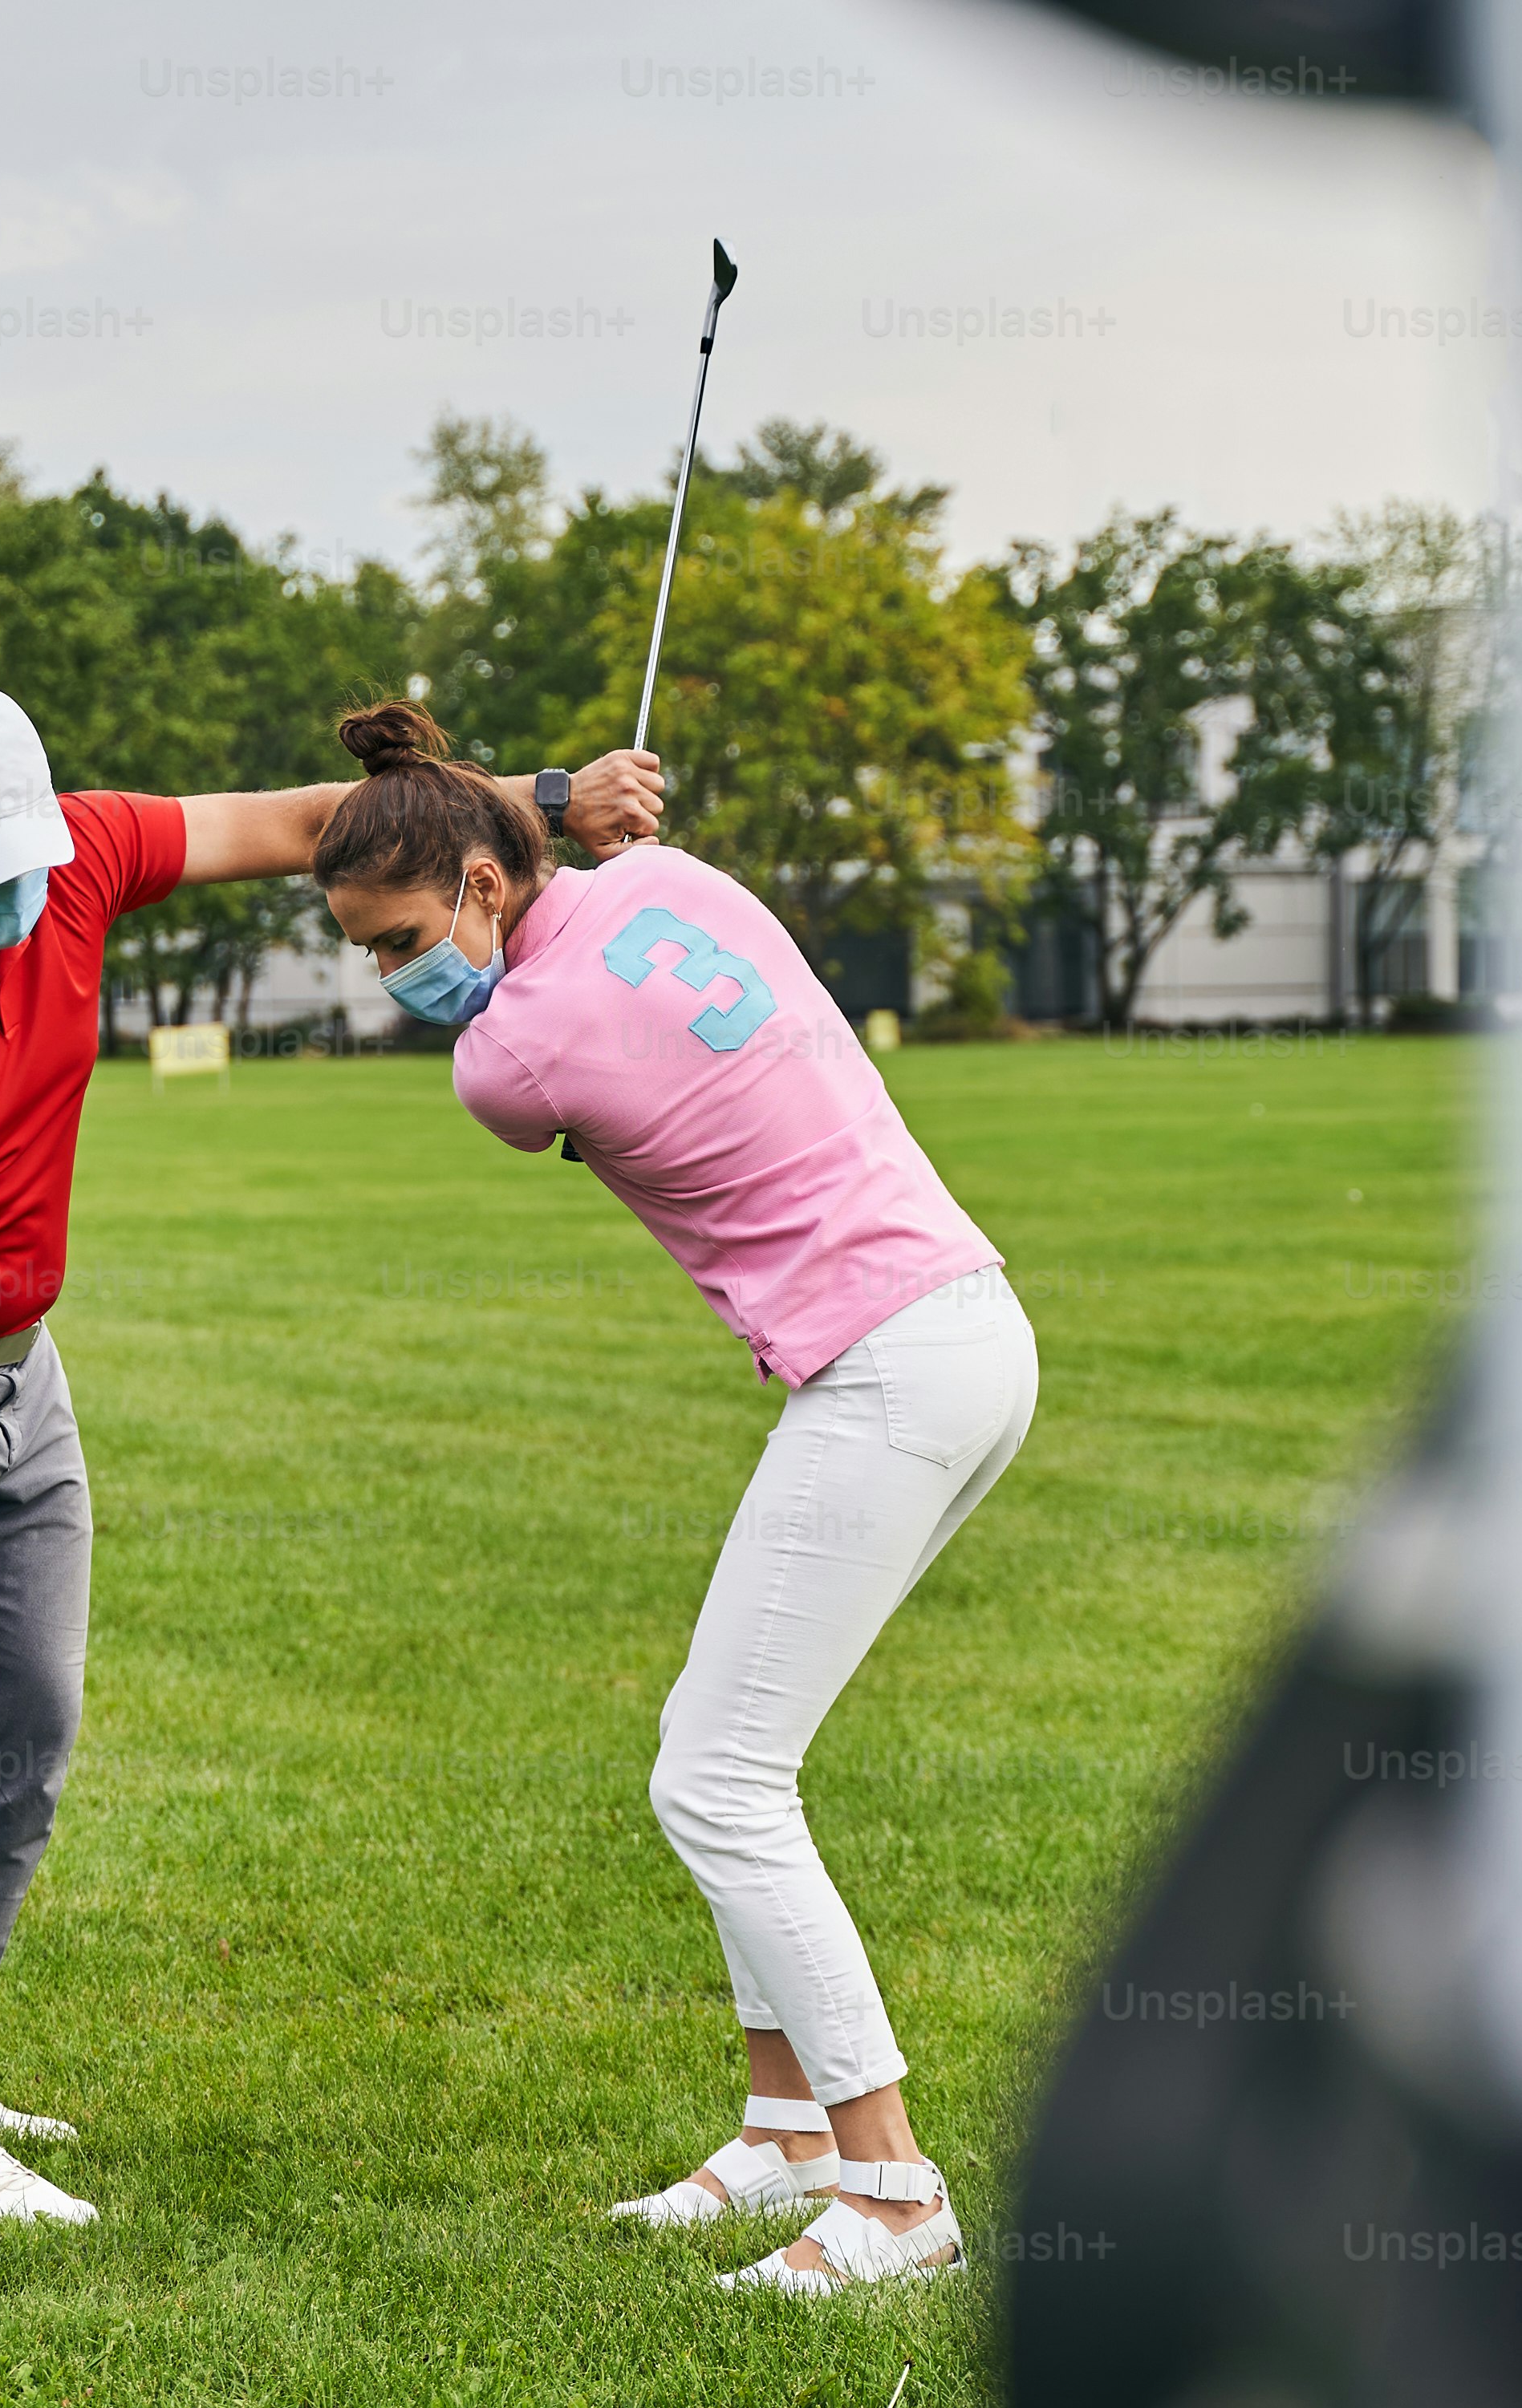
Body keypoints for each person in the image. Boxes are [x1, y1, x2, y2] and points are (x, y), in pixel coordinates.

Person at [0, 679, 664, 2224]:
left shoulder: (79, 859)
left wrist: (558, 795)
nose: (8, 893)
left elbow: (332, 823)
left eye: (21, 851)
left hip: (20, 1370)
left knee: (35, 1729)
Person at [308, 700, 1036, 2294]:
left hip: (886, 1364)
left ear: (486, 887)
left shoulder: (503, 1061)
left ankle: (897, 2192)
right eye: (368, 953)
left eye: (401, 938)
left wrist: (557, 804)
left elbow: (543, 1069)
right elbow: (604, 895)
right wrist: (593, 821)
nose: (391, 979)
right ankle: (786, 2135)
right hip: (968, 1329)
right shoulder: (679, 880)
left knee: (715, 1782)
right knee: (722, 1744)